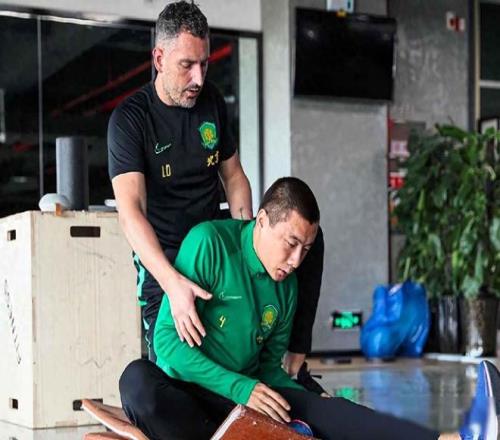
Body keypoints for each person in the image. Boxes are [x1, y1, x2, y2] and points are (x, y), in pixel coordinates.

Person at [119, 177, 499, 440]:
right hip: (190, 394)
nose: (296, 260)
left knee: (330, 410)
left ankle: (457, 438)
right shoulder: (210, 244)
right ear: (262, 221)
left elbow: (270, 368)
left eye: (306, 249)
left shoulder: (286, 285)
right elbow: (167, 345)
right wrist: (241, 388)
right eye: (290, 243)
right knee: (137, 382)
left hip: (247, 395)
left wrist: (315, 402)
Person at [107, 0, 324, 376]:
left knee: (307, 240)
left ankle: (295, 362)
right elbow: (131, 213)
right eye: (186, 65)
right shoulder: (130, 119)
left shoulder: (212, 102)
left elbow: (234, 177)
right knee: (172, 375)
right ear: (159, 59)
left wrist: (248, 244)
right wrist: (173, 283)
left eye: (204, 64)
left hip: (215, 247)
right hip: (169, 256)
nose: (198, 78)